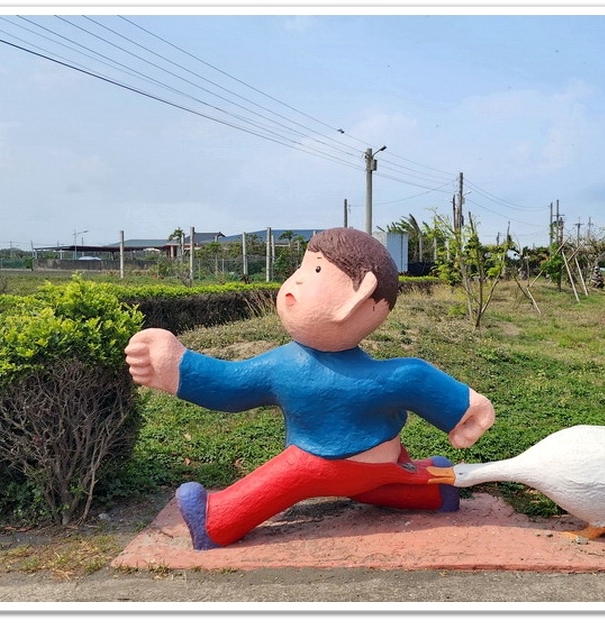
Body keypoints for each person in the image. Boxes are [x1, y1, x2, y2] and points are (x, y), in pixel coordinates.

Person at [124, 227, 495, 549]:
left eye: (316, 270)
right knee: (370, 486)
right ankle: (433, 491)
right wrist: (178, 368)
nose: (297, 280)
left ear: (359, 297)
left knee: (290, 474)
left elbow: (231, 386)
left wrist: (179, 367)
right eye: (302, 267)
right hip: (383, 462)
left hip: (325, 460)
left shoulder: (294, 366)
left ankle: (216, 520)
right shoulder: (303, 365)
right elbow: (232, 385)